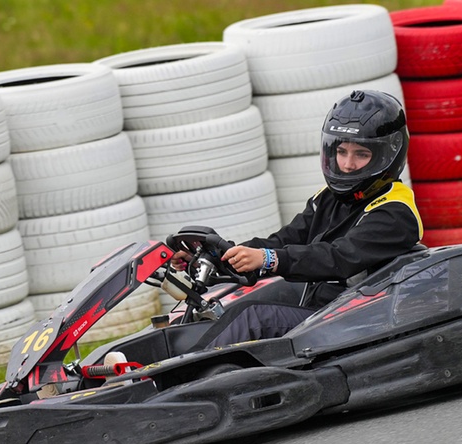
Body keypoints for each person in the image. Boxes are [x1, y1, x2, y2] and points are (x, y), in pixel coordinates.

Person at [173, 89, 424, 349]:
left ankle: (175, 380)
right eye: (342, 152)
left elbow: (337, 258)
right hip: (325, 308)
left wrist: (270, 259)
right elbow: (284, 240)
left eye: (361, 154)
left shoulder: (395, 211)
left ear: (387, 155)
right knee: (226, 306)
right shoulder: (329, 198)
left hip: (361, 320)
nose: (348, 164)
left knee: (254, 317)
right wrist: (216, 256)